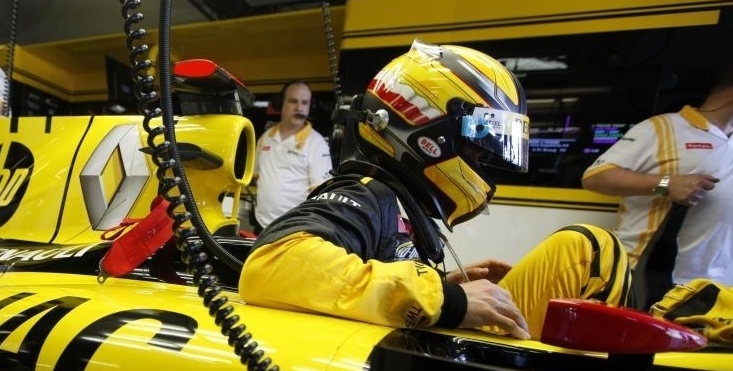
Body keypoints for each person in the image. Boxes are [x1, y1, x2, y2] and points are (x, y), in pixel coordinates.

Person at [238, 40, 632, 339]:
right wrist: (447, 299)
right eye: (475, 149)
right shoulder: (368, 193)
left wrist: (445, 286)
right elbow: (271, 265)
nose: (481, 160)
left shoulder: (398, 201)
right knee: (592, 250)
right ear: (427, 130)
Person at [581, 61, 733, 305]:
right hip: (650, 274)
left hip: (717, 286)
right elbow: (596, 177)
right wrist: (666, 184)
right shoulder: (663, 128)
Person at [250, 80, 333, 231]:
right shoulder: (266, 137)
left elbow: (322, 194)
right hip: (261, 225)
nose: (299, 108)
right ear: (281, 103)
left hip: (294, 230)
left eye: (304, 103)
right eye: (293, 101)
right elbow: (257, 177)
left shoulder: (317, 143)